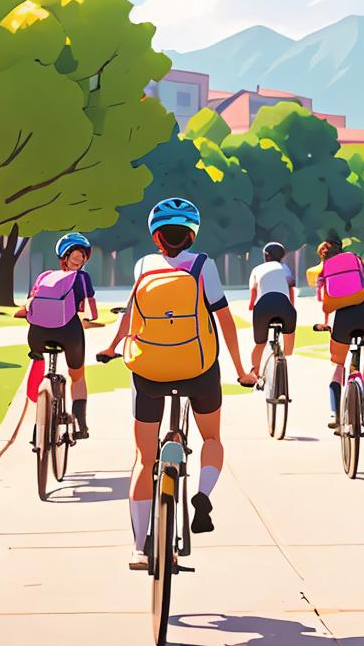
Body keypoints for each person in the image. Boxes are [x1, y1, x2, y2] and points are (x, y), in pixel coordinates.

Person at [99, 198, 255, 569]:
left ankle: (138, 547)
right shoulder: (204, 265)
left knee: (143, 457)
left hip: (149, 372)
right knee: (212, 439)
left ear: (156, 236)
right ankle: (202, 493)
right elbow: (226, 321)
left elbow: (132, 314)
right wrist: (241, 370)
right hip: (198, 369)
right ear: (191, 234)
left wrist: (111, 347)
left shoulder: (143, 265)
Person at [18, 232, 99, 439]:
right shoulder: (83, 278)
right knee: (77, 376)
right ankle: (81, 425)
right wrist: (91, 320)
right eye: (80, 255)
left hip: (36, 336)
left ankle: (40, 418)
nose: (80, 259)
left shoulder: (44, 276)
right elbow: (92, 312)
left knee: (38, 361)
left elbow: (29, 304)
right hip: (69, 334)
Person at [315, 238, 364, 430]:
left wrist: (326, 324)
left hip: (344, 317)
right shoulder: (355, 260)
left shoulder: (324, 271)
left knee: (338, 363)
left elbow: (325, 302)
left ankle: (335, 412)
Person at [249, 242, 297, 379]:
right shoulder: (284, 268)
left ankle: (255, 372)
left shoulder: (257, 269)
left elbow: (253, 290)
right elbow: (291, 285)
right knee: (289, 339)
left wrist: (251, 305)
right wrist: (291, 306)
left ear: (266, 256)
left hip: (263, 306)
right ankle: (285, 354)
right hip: (284, 305)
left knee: (260, 343)